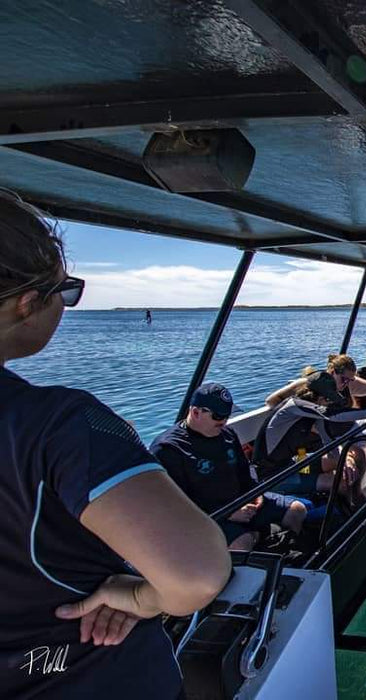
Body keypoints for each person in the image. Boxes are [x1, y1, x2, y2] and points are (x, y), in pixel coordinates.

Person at [0, 193, 230, 699]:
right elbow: (195, 575)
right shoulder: (58, 425)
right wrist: (140, 598)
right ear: (27, 302)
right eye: (67, 292)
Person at [150, 383, 308, 551]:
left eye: (226, 415)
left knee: (297, 510)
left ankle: (289, 556)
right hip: (208, 516)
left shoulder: (228, 434)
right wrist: (229, 513)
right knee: (243, 542)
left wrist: (256, 494)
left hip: (243, 502)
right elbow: (176, 505)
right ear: (195, 412)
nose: (224, 422)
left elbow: (244, 473)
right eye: (218, 416)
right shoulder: (168, 449)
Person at [265, 354, 366, 482]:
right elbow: (272, 401)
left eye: (350, 380)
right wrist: (290, 413)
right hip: (316, 438)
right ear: (332, 372)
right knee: (355, 456)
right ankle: (353, 497)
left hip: (343, 428)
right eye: (344, 380)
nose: (346, 384)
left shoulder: (347, 383)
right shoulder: (308, 387)